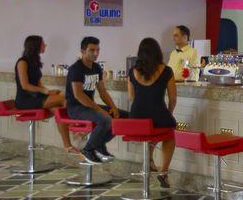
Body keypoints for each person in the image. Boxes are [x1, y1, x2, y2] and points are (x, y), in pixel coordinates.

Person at [66, 36, 123, 166]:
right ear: (83, 51)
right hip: (76, 108)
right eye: (92, 50)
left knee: (121, 116)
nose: (96, 53)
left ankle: (98, 145)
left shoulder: (96, 67)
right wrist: (100, 110)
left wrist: (113, 107)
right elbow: (79, 95)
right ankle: (88, 150)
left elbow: (102, 92)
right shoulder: (76, 68)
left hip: (89, 107)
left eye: (98, 50)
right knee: (106, 120)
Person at [128, 37, 178, 186]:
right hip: (158, 113)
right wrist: (169, 113)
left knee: (151, 131)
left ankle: (149, 160)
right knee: (169, 133)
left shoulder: (132, 71)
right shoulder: (166, 70)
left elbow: (131, 97)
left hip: (136, 118)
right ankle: (163, 172)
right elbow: (173, 98)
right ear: (158, 52)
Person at [14, 35, 75, 155]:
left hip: (36, 97)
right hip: (25, 100)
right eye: (43, 43)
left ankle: (68, 146)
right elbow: (25, 85)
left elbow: (38, 84)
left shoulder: (35, 62)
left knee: (58, 110)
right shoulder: (22, 62)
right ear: (36, 46)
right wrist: (46, 92)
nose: (45, 45)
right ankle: (76, 128)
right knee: (64, 98)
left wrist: (48, 91)